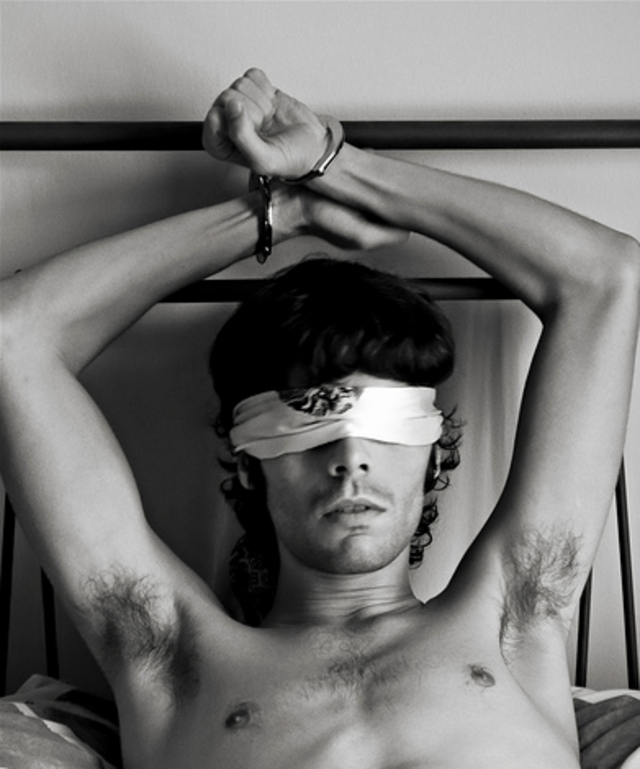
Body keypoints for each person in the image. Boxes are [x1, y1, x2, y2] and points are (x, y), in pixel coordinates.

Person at [0, 68, 638, 768]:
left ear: (433, 452)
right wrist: (282, 216)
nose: (350, 458)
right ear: (250, 463)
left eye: (387, 424)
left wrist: (338, 166)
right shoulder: (173, 656)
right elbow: (11, 336)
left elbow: (607, 276)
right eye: (307, 424)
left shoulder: (517, 617)